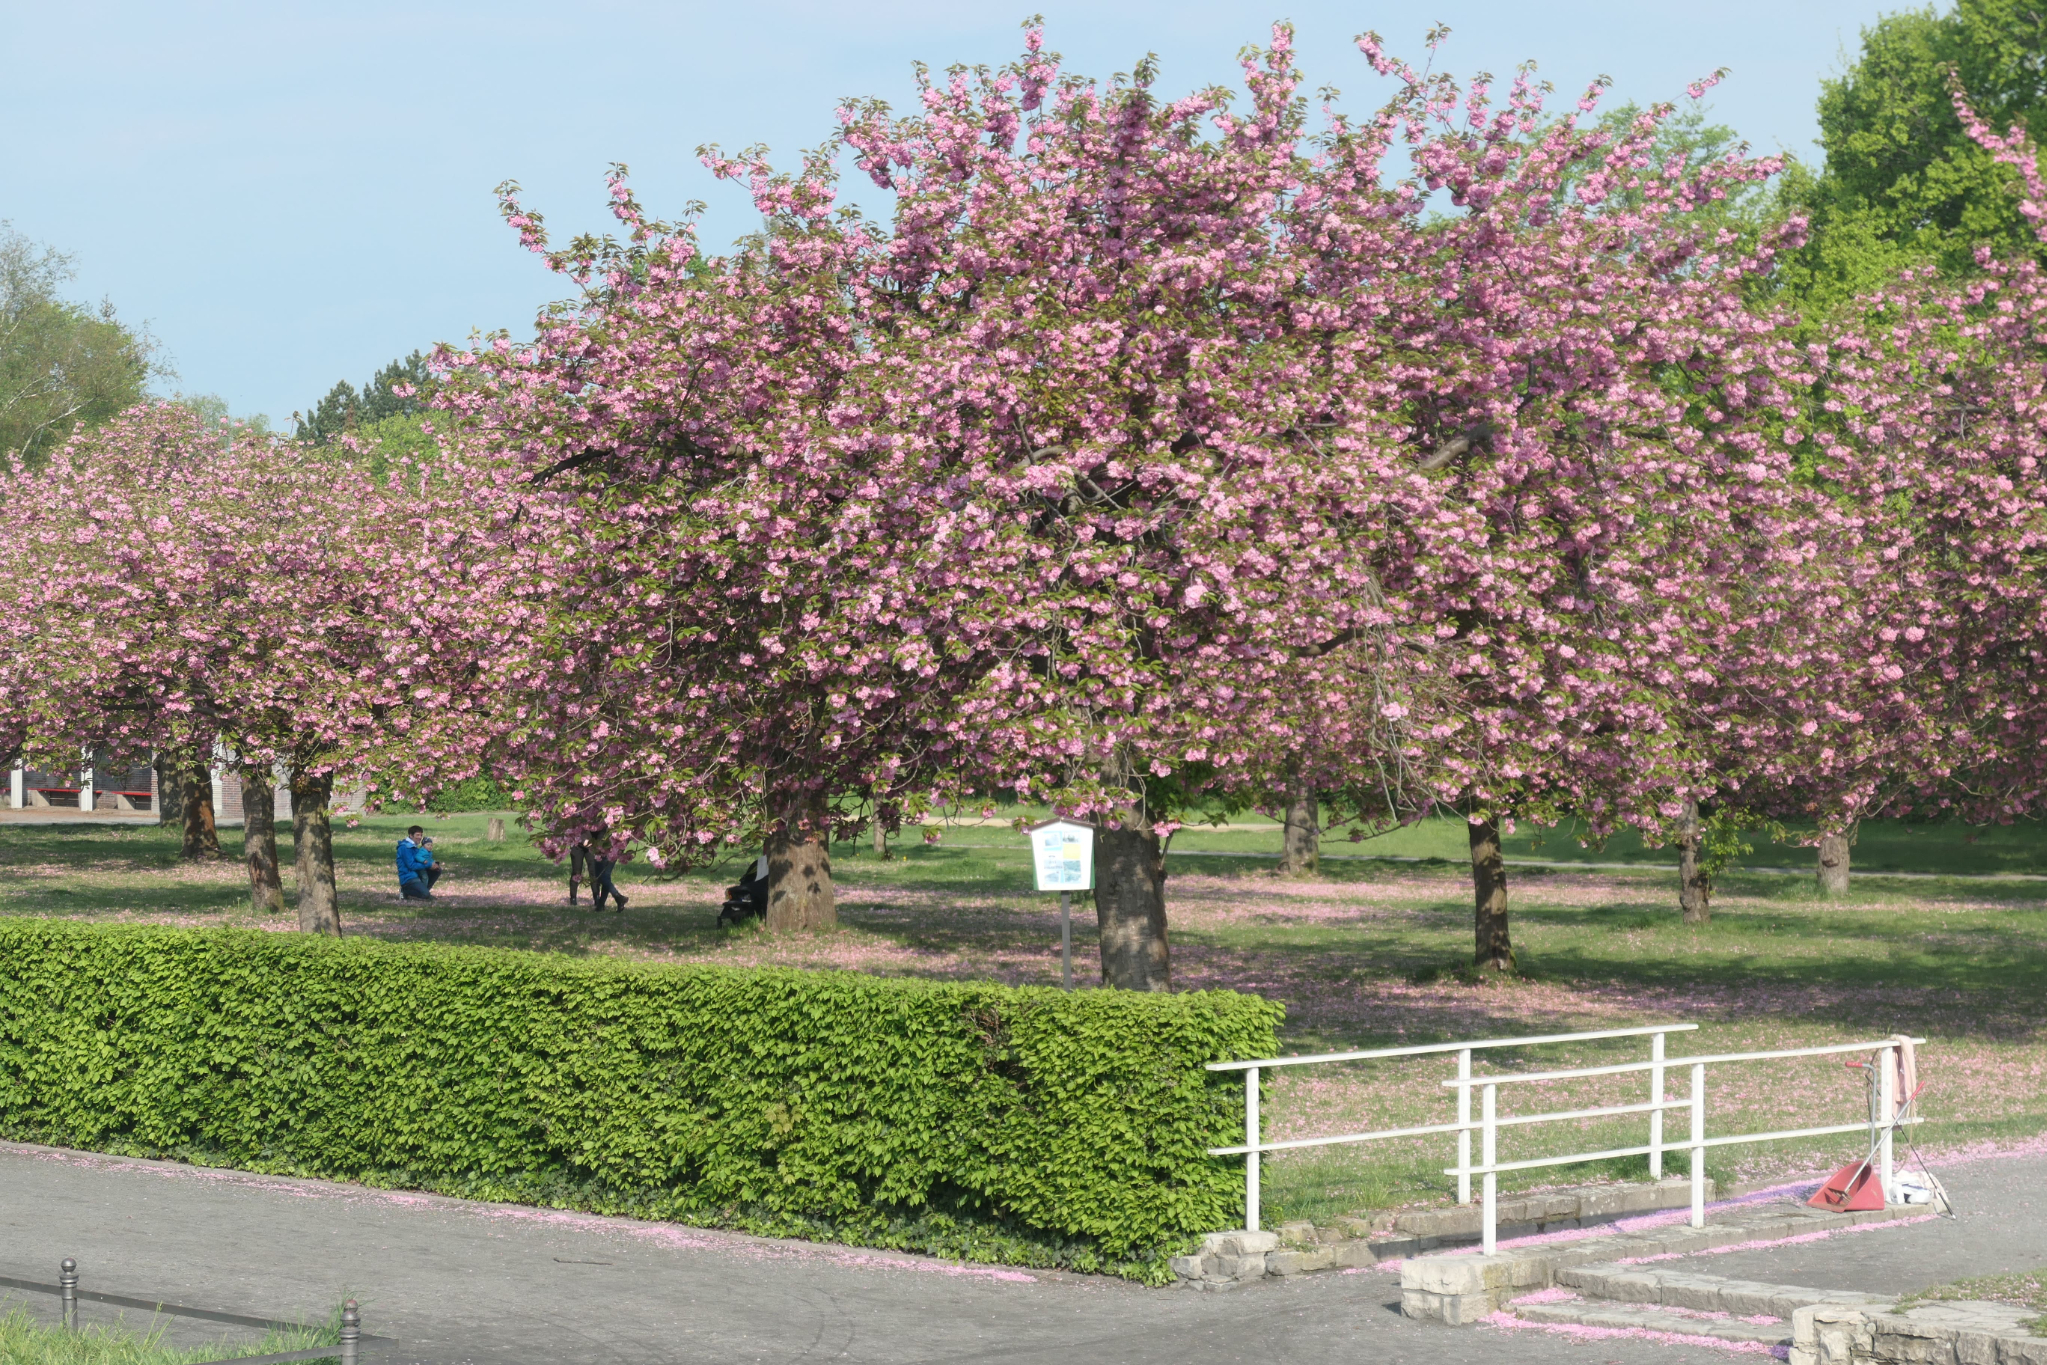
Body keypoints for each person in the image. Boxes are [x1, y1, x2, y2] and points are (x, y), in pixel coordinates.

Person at [396, 826, 442, 900]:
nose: (420, 837)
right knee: (425, 895)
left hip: (417, 874)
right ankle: (405, 890)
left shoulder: (414, 846)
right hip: (409, 877)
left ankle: (424, 890)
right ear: (411, 835)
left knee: (437, 870)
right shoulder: (405, 847)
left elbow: (421, 859)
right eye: (417, 835)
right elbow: (411, 866)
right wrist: (428, 865)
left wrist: (433, 864)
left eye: (421, 835)